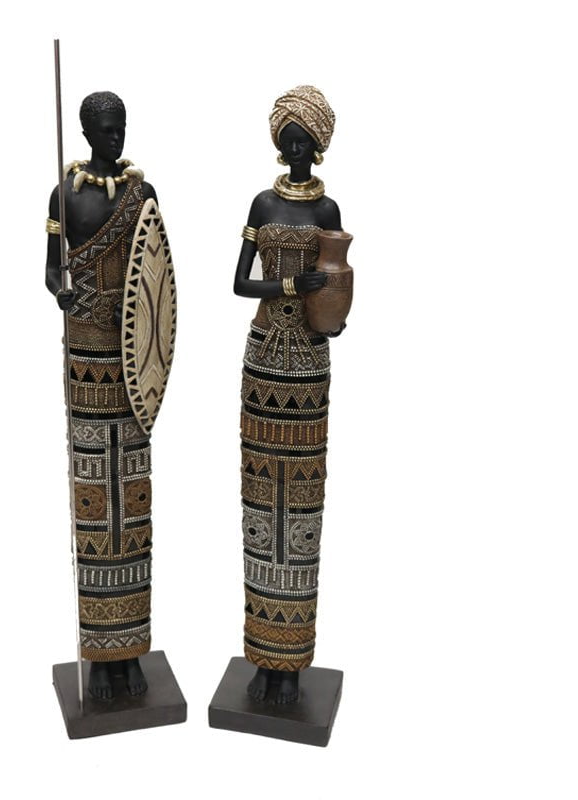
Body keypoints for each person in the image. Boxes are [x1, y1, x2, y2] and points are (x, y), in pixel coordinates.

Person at [233, 85, 344, 704]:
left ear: (318, 146)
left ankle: (292, 659)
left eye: (305, 142)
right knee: (259, 500)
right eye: (289, 141)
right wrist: (289, 285)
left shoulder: (326, 210)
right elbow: (239, 283)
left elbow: (335, 286)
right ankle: (261, 654)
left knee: (300, 502)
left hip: (307, 362)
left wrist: (332, 312)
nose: (296, 150)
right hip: (263, 358)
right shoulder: (262, 202)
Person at [45, 91, 158, 700]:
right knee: (94, 495)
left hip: (132, 358)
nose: (116, 139)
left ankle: (132, 650)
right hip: (86, 356)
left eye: (122, 129)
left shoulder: (142, 195)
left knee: (131, 495)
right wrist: (61, 292)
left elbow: (156, 277)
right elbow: (51, 269)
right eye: (107, 130)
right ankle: (100, 651)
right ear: (88, 132)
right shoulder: (65, 195)